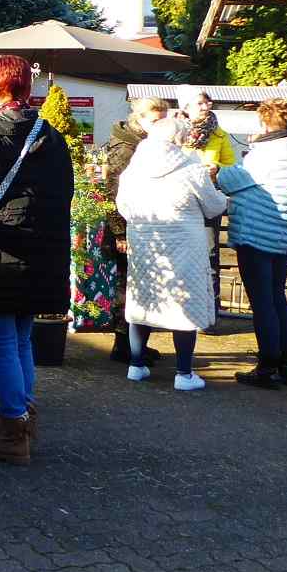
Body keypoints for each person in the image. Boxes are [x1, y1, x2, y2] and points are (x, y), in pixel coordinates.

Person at [0, 55, 73, 466]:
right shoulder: (52, 134)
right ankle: (20, 413)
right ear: (27, 88)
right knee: (21, 336)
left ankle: (13, 429)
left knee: (2, 341)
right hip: (44, 251)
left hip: (0, 251)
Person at [214, 99, 287, 389]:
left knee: (262, 302)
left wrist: (215, 169)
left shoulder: (267, 153)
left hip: (257, 233)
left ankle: (266, 367)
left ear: (264, 123)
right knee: (277, 298)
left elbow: (233, 180)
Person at [114, 116, 228, 391]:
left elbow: (123, 207)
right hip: (184, 246)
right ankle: (184, 373)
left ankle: (136, 366)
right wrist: (226, 198)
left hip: (145, 243)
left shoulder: (134, 169)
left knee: (143, 302)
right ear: (179, 140)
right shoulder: (192, 168)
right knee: (184, 306)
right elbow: (213, 207)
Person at [103, 97, 170, 364]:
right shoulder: (126, 147)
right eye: (155, 121)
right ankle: (124, 345)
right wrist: (120, 232)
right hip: (128, 227)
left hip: (143, 226)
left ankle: (135, 343)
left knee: (141, 285)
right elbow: (112, 191)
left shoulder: (146, 143)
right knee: (127, 286)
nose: (160, 126)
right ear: (138, 119)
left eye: (163, 120)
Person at [176, 86, 236, 316]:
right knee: (180, 253)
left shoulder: (219, 134)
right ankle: (181, 308)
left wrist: (218, 169)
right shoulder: (175, 132)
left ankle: (211, 311)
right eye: (200, 103)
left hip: (208, 202)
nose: (206, 107)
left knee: (210, 256)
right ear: (186, 108)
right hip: (181, 201)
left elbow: (233, 167)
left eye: (208, 102)